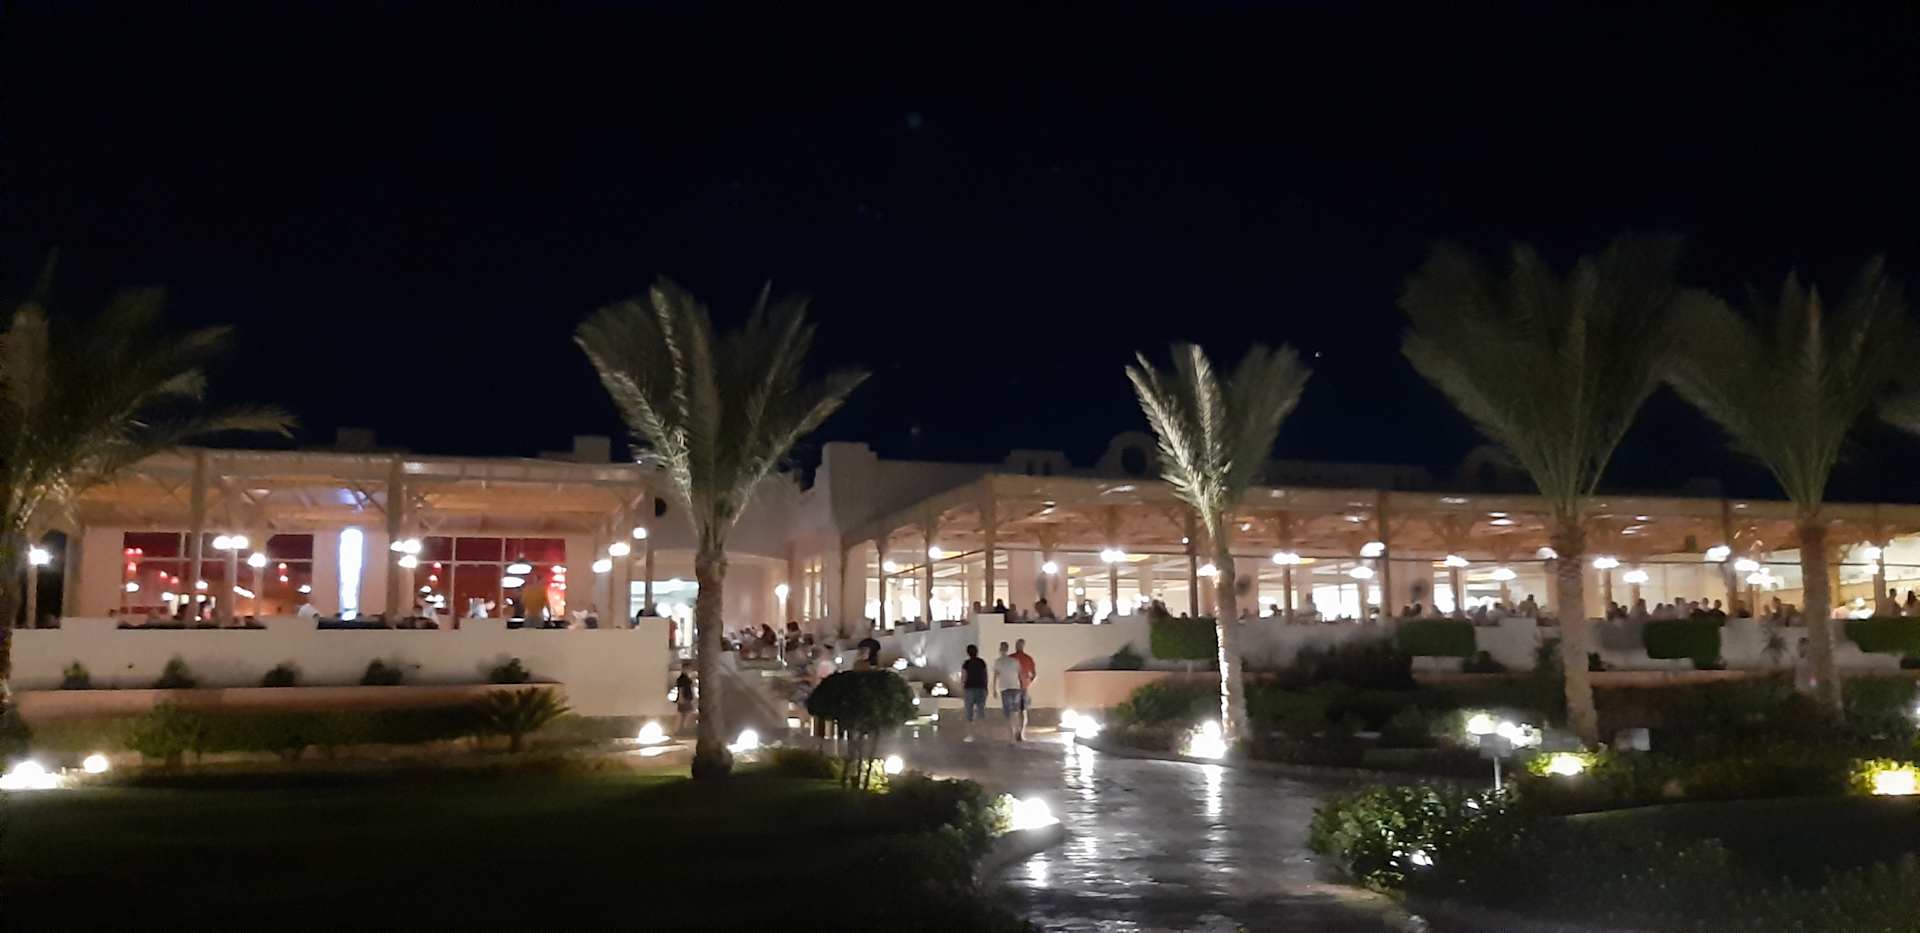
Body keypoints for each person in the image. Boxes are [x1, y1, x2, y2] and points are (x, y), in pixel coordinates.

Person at [992, 642, 1024, 742]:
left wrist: (994, 689)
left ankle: (1011, 737)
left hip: (1005, 688)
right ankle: (1017, 731)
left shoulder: (998, 662)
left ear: (1000, 649)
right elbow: (1020, 674)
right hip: (1016, 688)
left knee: (1008, 714)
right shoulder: (1015, 661)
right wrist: (1022, 687)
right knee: (1015, 712)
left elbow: (995, 676)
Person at [960, 644, 989, 742]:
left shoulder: (966, 663)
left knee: (969, 713)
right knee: (981, 712)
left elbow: (964, 677)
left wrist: (962, 688)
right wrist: (986, 688)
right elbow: (985, 675)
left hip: (969, 689)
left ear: (968, 653)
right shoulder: (982, 662)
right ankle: (983, 734)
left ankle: (970, 735)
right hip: (981, 688)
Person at [1011, 638, 1036, 740]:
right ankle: (1021, 732)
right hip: (1023, 687)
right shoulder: (1028, 658)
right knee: (1022, 711)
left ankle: (1016, 732)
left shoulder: (1011, 658)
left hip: (1013, 687)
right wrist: (1028, 682)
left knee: (1014, 711)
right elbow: (1034, 674)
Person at [674, 661, 696, 735]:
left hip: (685, 698)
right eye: (688, 669)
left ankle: (679, 729)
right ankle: (683, 728)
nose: (690, 670)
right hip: (685, 698)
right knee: (687, 712)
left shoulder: (684, 678)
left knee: (682, 714)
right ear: (684, 669)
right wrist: (681, 698)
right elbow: (681, 689)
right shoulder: (683, 679)